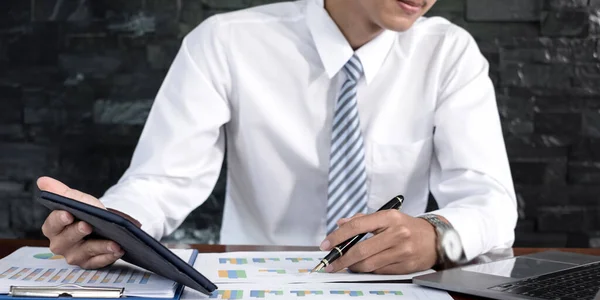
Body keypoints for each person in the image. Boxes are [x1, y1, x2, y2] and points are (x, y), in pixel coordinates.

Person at [37, 0, 517, 274]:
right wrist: (113, 226)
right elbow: (163, 179)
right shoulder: (225, 42)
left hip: (395, 288)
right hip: (256, 286)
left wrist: (437, 237)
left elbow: (491, 204)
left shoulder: (449, 53)